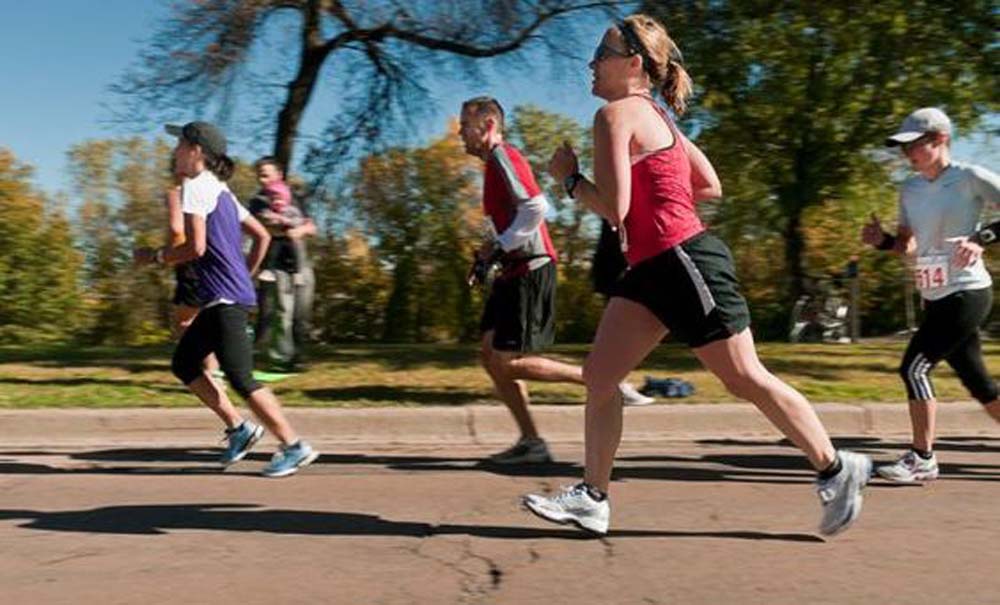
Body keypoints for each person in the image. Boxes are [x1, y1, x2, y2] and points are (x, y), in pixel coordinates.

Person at [521, 15, 872, 536]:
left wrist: (570, 180)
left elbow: (615, 208)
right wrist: (654, 196)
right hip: (648, 269)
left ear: (634, 64)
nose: (591, 63)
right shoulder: (660, 117)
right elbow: (708, 185)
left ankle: (837, 468)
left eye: (602, 52)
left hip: (682, 261)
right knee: (599, 377)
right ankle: (593, 496)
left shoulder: (616, 115)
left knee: (743, 376)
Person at [459, 96, 652, 464]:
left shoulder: (503, 156)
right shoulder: (493, 166)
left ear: (487, 126)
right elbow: (516, 219)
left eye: (464, 125)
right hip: (512, 270)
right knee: (489, 354)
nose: (459, 134)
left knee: (508, 362)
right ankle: (531, 442)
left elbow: (535, 207)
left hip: (530, 268)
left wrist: (497, 247)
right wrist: (489, 253)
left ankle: (603, 379)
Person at [134, 121, 318, 477]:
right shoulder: (220, 189)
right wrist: (244, 276)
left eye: (179, 145)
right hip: (226, 296)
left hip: (225, 299)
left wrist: (154, 257)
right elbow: (261, 235)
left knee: (240, 376)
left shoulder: (196, 188)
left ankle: (293, 445)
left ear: (196, 151)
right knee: (185, 364)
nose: (174, 152)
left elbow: (194, 247)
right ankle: (240, 428)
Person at [861, 107, 999, 483]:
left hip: (967, 291)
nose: (908, 154)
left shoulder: (969, 177)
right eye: (904, 147)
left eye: (915, 145)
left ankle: (922, 458)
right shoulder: (910, 188)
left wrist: (980, 238)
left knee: (914, 368)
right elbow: (909, 246)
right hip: (934, 294)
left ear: (940, 139)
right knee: (981, 386)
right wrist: (884, 241)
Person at [250, 157, 317, 372]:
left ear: (279, 174)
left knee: (301, 314)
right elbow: (263, 224)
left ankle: (299, 357)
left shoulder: (296, 197)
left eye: (265, 173)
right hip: (275, 264)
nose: (261, 178)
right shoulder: (258, 200)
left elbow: (311, 226)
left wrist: (299, 230)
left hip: (300, 260)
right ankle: (272, 357)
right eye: (259, 174)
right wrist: (288, 227)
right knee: (279, 314)